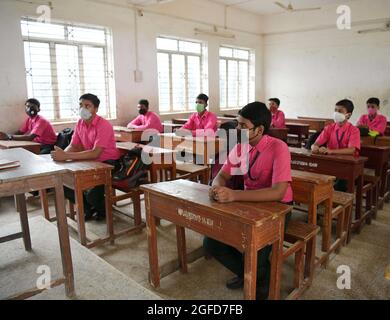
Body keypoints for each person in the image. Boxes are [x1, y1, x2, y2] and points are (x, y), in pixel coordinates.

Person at [203, 101, 293, 300]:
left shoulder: (279, 148)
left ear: (259, 129)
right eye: (237, 124)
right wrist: (216, 186)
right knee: (211, 242)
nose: (238, 129)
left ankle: (260, 286)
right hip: (248, 204)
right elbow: (223, 175)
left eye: (243, 126)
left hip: (277, 209)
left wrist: (234, 195)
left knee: (256, 252)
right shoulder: (240, 147)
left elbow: (278, 192)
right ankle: (250, 275)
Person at [51, 93, 121, 221]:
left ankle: (104, 210)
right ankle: (88, 209)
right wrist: (63, 156)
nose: (83, 109)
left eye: (87, 106)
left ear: (96, 109)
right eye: (80, 105)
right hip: (89, 161)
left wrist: (65, 155)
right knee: (64, 184)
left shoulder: (104, 125)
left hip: (108, 163)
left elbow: (96, 153)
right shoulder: (80, 123)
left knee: (92, 195)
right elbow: (74, 145)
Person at [311, 99, 360, 192]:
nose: (336, 113)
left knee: (341, 183)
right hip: (330, 161)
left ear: (348, 115)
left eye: (340, 111)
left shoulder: (354, 130)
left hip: (346, 164)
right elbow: (317, 143)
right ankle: (321, 196)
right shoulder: (329, 128)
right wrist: (314, 146)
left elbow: (352, 150)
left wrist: (331, 151)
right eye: (335, 110)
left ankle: (335, 200)